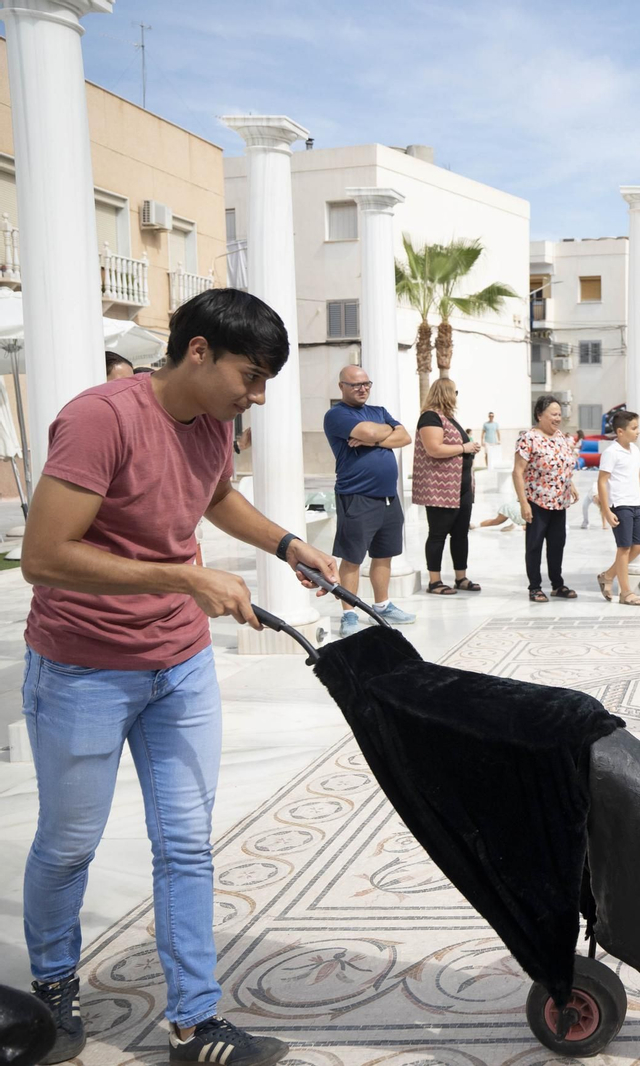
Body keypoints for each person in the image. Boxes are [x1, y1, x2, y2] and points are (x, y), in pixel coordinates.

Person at [21, 288, 341, 1065]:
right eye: (250, 376)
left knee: (187, 846)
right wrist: (185, 578)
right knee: (69, 845)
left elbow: (216, 495)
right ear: (198, 350)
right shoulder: (101, 418)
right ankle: (53, 984)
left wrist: (286, 544)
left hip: (180, 667)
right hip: (84, 669)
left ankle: (195, 1023)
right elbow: (43, 555)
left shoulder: (213, 423)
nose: (256, 395)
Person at [323, 365, 415, 637]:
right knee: (352, 558)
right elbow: (375, 432)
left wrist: (373, 440)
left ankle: (382, 606)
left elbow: (405, 437)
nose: (362, 389)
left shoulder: (379, 411)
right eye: (355, 385)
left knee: (384, 554)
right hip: (356, 496)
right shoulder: (336, 414)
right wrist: (384, 432)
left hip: (388, 497)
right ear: (342, 386)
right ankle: (348, 614)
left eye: (366, 384)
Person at [413, 379, 482, 597]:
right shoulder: (430, 417)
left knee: (461, 534)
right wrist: (464, 447)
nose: (456, 396)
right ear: (445, 393)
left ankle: (461, 577)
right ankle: (435, 581)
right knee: (438, 534)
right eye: (455, 392)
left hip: (461, 487)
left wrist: (469, 448)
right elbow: (433, 449)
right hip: (441, 489)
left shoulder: (449, 418)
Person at [515, 394, 580, 602]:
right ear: (539, 415)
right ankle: (534, 587)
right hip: (537, 501)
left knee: (557, 545)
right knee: (534, 545)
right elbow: (517, 472)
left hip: (560, 502)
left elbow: (562, 464)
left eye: (559, 414)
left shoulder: (560, 436)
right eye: (553, 414)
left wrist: (571, 484)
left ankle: (557, 584)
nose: (557, 418)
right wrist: (523, 503)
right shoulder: (528, 438)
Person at [596, 409, 640, 607]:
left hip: (635, 504)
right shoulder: (611, 452)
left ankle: (608, 576)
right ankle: (625, 593)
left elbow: (639, 477)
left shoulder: (635, 450)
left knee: (639, 546)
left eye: (637, 427)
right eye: (634, 428)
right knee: (624, 548)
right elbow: (602, 481)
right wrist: (606, 510)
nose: (638, 432)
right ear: (620, 431)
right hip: (620, 505)